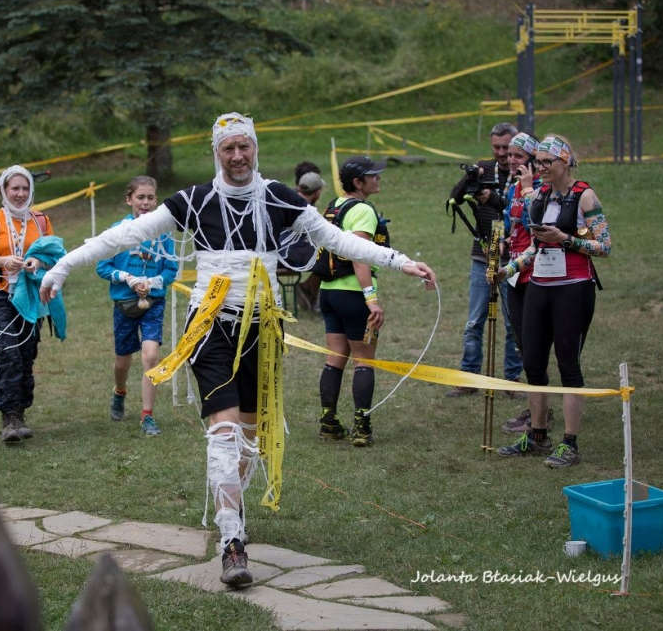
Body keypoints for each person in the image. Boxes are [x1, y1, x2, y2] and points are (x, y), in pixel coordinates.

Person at [39, 112, 436, 588]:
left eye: (244, 146)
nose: (237, 155)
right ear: (216, 153)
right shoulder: (193, 200)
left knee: (249, 434)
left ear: (255, 149)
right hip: (210, 327)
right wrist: (62, 266)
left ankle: (234, 507)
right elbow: (124, 235)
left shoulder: (280, 198)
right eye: (228, 148)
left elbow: (335, 239)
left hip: (263, 331)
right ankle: (231, 542)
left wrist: (400, 261)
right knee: (224, 433)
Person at [494, 135, 611, 468]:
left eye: (547, 162)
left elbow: (604, 246)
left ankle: (569, 443)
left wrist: (567, 240)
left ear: (565, 162)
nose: (541, 168)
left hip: (573, 288)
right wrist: (508, 270)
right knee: (532, 362)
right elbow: (535, 247)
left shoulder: (585, 196)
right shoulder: (539, 196)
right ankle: (537, 435)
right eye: (539, 162)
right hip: (539, 287)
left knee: (568, 364)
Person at [0, 165, 54, 443]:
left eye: (25, 188)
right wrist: (2, 261)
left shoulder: (40, 221)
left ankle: (20, 413)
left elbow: (53, 256)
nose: (20, 194)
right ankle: (8, 417)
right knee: (9, 352)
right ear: (3, 191)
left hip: (30, 294)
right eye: (14, 188)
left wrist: (37, 262)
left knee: (27, 354)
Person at [316, 156, 392, 447]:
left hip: (328, 291)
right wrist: (371, 300)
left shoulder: (334, 205)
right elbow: (359, 256)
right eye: (373, 175)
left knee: (335, 357)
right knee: (364, 358)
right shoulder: (362, 210)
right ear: (358, 182)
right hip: (353, 294)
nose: (378, 178)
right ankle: (362, 427)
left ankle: (329, 422)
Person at [95, 176, 179, 437]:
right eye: (140, 197)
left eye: (150, 198)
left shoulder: (164, 233)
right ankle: (119, 391)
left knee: (151, 356)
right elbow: (102, 267)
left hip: (153, 304)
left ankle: (147, 416)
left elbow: (171, 270)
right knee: (123, 361)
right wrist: (128, 278)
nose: (145, 202)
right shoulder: (118, 231)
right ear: (128, 199)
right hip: (124, 305)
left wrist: (151, 282)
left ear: (156, 200)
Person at [445, 122, 524, 398]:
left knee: (513, 323)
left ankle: (512, 380)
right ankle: (469, 378)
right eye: (497, 147)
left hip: (513, 259)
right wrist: (471, 177)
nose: (502, 154)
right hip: (482, 255)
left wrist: (492, 198)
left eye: (507, 148)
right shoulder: (484, 168)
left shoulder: (524, 174)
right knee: (474, 321)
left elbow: (519, 209)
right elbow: (454, 198)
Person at [500, 132, 555, 433]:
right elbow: (513, 225)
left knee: (535, 346)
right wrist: (504, 240)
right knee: (522, 342)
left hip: (537, 271)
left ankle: (540, 417)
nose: (511, 160)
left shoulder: (543, 190)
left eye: (518, 156)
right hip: (514, 273)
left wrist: (529, 189)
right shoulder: (513, 187)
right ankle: (536, 410)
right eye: (509, 155)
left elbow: (537, 226)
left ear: (533, 160)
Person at [292, 165, 326, 313]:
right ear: (317, 192)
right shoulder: (306, 209)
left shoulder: (289, 198)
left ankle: (309, 288)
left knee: (326, 255)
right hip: (292, 253)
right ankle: (318, 298)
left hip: (279, 251)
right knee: (330, 257)